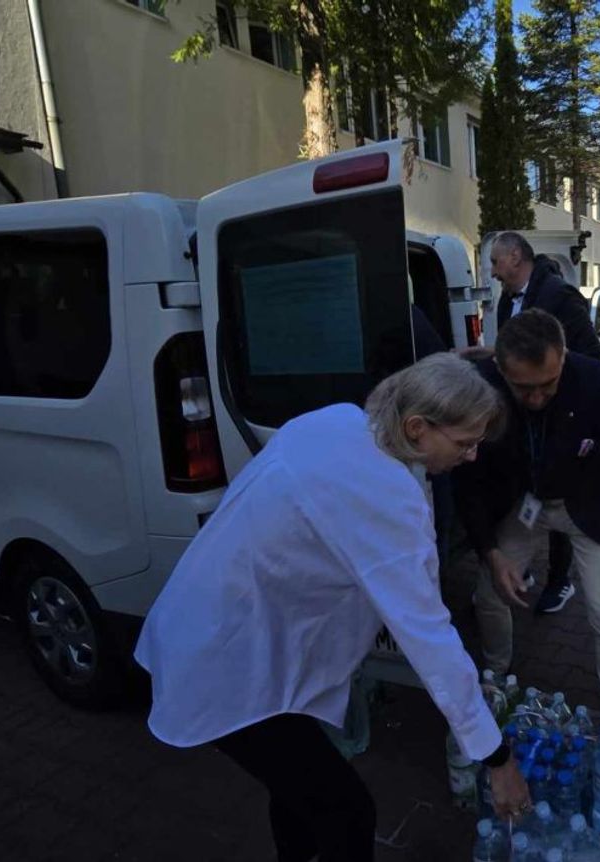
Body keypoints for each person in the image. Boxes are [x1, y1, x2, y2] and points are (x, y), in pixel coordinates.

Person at [134, 353, 531, 862]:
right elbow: (429, 635)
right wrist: (496, 757)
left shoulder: (339, 421)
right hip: (227, 666)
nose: (472, 456)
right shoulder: (384, 496)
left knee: (298, 791)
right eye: (464, 443)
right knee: (347, 810)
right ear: (417, 428)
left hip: (207, 625)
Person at [453, 309, 600, 709]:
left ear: (565, 358)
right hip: (523, 502)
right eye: (524, 388)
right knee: (489, 593)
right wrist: (490, 552)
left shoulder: (595, 380)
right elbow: (469, 482)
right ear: (500, 369)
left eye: (548, 384)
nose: (537, 399)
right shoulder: (480, 385)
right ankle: (496, 677)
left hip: (587, 502)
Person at [489, 231, 600, 616]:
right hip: (524, 422)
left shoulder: (559, 296)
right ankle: (519, 568)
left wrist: (550, 379)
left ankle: (561, 580)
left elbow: (593, 355)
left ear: (515, 257)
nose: (492, 272)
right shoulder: (506, 300)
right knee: (529, 494)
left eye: (495, 262)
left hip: (561, 419)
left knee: (561, 499)